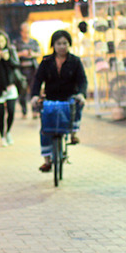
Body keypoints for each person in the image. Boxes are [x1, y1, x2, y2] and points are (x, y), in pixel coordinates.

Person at [30, 29, 87, 172]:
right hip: (51, 98)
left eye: (65, 43)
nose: (62, 46)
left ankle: (73, 133)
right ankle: (47, 161)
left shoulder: (75, 61)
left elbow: (82, 81)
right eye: (58, 43)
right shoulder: (46, 61)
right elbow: (37, 80)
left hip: (69, 97)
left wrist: (81, 94)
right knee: (45, 129)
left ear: (69, 44)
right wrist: (35, 95)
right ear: (53, 45)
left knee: (77, 103)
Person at [0, 31, 21, 147]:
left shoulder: (10, 50)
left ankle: (8, 132)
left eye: (2, 41)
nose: (0, 44)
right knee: (0, 114)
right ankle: (2, 136)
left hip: (10, 86)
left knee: (11, 112)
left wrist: (8, 59)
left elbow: (16, 65)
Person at [15, 22, 41, 118]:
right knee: (22, 91)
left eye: (28, 32)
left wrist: (32, 54)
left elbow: (39, 53)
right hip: (21, 70)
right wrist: (22, 53)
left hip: (32, 69)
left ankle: (35, 111)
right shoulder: (17, 42)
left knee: (34, 90)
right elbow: (13, 54)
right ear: (21, 32)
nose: (26, 34)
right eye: (25, 32)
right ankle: (24, 111)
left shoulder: (34, 42)